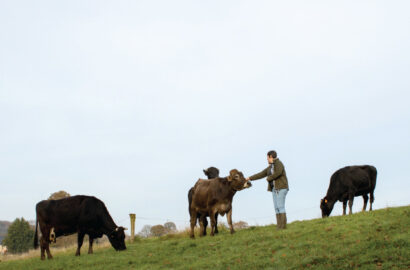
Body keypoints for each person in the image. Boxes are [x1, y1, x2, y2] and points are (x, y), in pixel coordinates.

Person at [246, 150, 289, 229]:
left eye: (267, 158)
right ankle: (279, 227)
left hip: (281, 188)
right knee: (276, 208)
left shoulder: (279, 163)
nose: (267, 159)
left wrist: (269, 178)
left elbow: (278, 173)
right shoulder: (270, 167)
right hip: (274, 189)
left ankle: (283, 227)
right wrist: (250, 178)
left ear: (271, 157)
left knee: (280, 206)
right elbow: (261, 174)